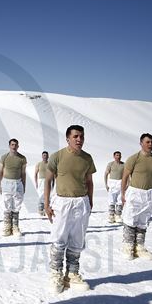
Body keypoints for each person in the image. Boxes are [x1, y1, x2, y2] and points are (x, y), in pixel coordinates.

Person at [44, 125, 96, 293]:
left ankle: (72, 274)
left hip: (81, 202)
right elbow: (48, 180)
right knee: (59, 239)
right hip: (62, 202)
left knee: (77, 239)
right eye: (75, 136)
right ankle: (56, 274)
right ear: (68, 139)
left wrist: (90, 200)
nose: (79, 139)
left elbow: (89, 182)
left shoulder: (87, 158)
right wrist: (46, 204)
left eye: (81, 136)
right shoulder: (57, 156)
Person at [120, 133, 152, 260]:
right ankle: (128, 246)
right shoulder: (133, 158)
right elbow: (125, 177)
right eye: (147, 142)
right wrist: (123, 193)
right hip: (135, 193)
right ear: (141, 143)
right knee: (130, 219)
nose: (150, 144)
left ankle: (139, 247)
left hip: (149, 194)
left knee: (143, 221)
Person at [0, 139, 27, 236]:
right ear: (9, 146)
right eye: (12, 145)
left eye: (15, 145)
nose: (14, 146)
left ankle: (15, 227)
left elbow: (23, 173)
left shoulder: (22, 158)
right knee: (6, 205)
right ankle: (7, 227)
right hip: (6, 183)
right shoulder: (4, 157)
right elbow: (0, 172)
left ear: (18, 146)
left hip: (18, 183)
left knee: (17, 205)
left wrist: (24, 185)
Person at [104, 151, 124, 224]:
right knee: (111, 200)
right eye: (117, 155)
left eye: (119, 155)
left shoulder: (123, 164)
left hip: (120, 183)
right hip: (112, 184)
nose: (118, 157)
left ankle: (118, 215)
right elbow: (106, 174)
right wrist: (106, 184)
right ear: (114, 156)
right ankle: (111, 215)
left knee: (120, 200)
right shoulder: (110, 164)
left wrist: (127, 184)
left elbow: (127, 175)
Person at [34, 151, 49, 215]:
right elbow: (35, 174)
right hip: (41, 181)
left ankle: (47, 209)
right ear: (42, 156)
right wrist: (36, 183)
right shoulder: (39, 164)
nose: (45, 157)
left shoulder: (50, 164)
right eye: (44, 155)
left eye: (46, 155)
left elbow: (53, 173)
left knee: (48, 195)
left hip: (48, 180)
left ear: (48, 156)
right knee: (41, 195)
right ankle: (41, 209)